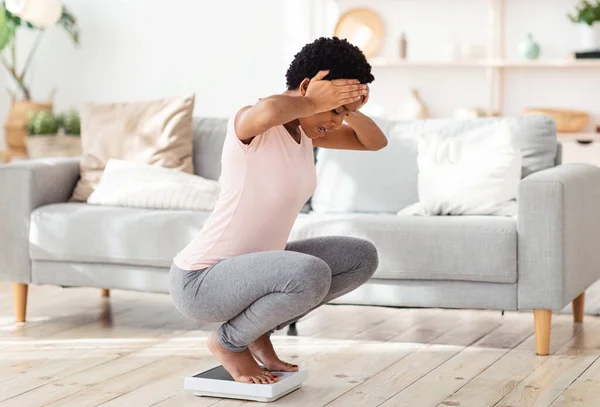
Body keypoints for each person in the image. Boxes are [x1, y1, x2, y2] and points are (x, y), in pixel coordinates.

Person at [169, 37, 388, 384]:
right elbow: (272, 110)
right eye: (335, 110)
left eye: (343, 113)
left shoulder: (308, 134)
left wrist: (350, 109)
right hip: (201, 281)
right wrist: (313, 101)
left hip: (254, 277)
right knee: (310, 273)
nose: (337, 122)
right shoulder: (254, 124)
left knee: (360, 257)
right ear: (306, 88)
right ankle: (229, 343)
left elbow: (374, 142)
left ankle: (257, 330)